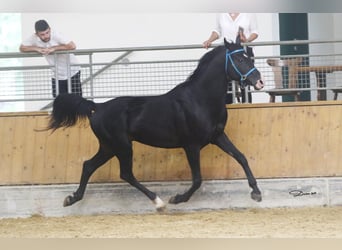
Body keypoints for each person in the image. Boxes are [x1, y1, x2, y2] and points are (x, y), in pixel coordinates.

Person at [203, 13, 259, 103]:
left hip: (244, 51)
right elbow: (217, 31)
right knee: (226, 82)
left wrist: (246, 40)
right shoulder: (221, 13)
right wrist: (209, 40)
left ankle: (247, 106)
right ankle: (228, 107)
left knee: (245, 82)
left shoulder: (249, 13)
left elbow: (255, 32)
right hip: (228, 53)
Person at [20, 19, 82, 97]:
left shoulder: (56, 35)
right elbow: (22, 48)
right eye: (42, 34)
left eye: (47, 32)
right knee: (58, 102)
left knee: (76, 100)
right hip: (57, 74)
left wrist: (54, 48)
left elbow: (72, 46)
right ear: (37, 34)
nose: (46, 36)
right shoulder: (33, 38)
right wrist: (37, 49)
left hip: (73, 71)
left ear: (50, 29)